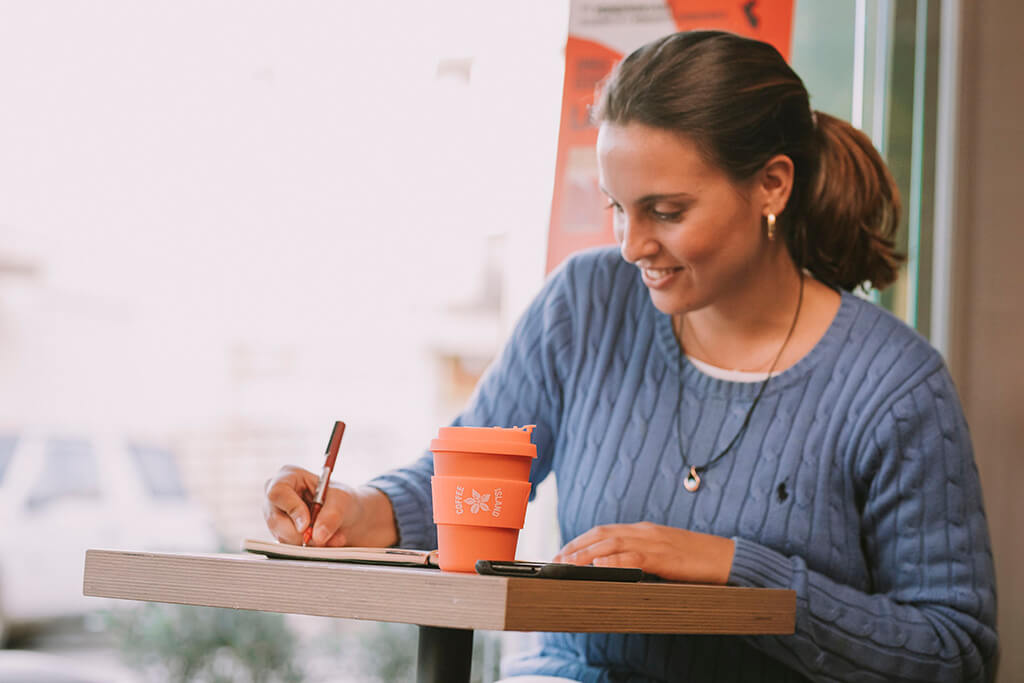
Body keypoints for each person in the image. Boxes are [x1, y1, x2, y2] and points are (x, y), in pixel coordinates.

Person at [263, 30, 998, 682]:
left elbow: (954, 649)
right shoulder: (584, 303)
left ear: (772, 184)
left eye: (667, 212)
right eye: (617, 206)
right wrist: (358, 510)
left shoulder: (896, 387)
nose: (630, 246)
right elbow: (467, 482)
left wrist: (733, 567)